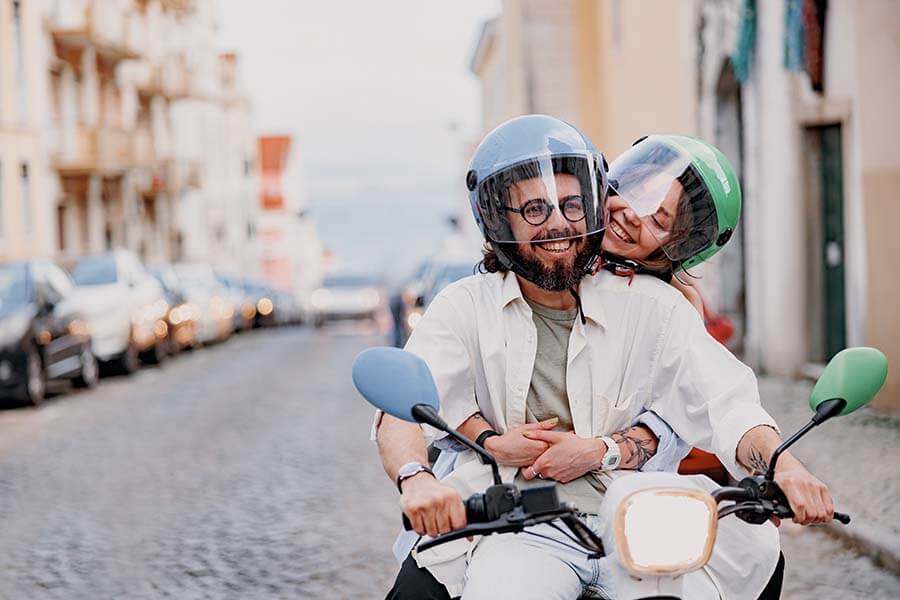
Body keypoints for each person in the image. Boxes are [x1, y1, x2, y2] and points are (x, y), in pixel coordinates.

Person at [374, 116, 832, 599]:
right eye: (534, 209)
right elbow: (403, 408)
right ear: (499, 218)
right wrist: (417, 479)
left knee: (752, 563)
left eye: (571, 205)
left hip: (637, 522)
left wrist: (785, 467)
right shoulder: (465, 304)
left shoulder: (660, 307)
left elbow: (726, 402)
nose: (557, 222)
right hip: (518, 525)